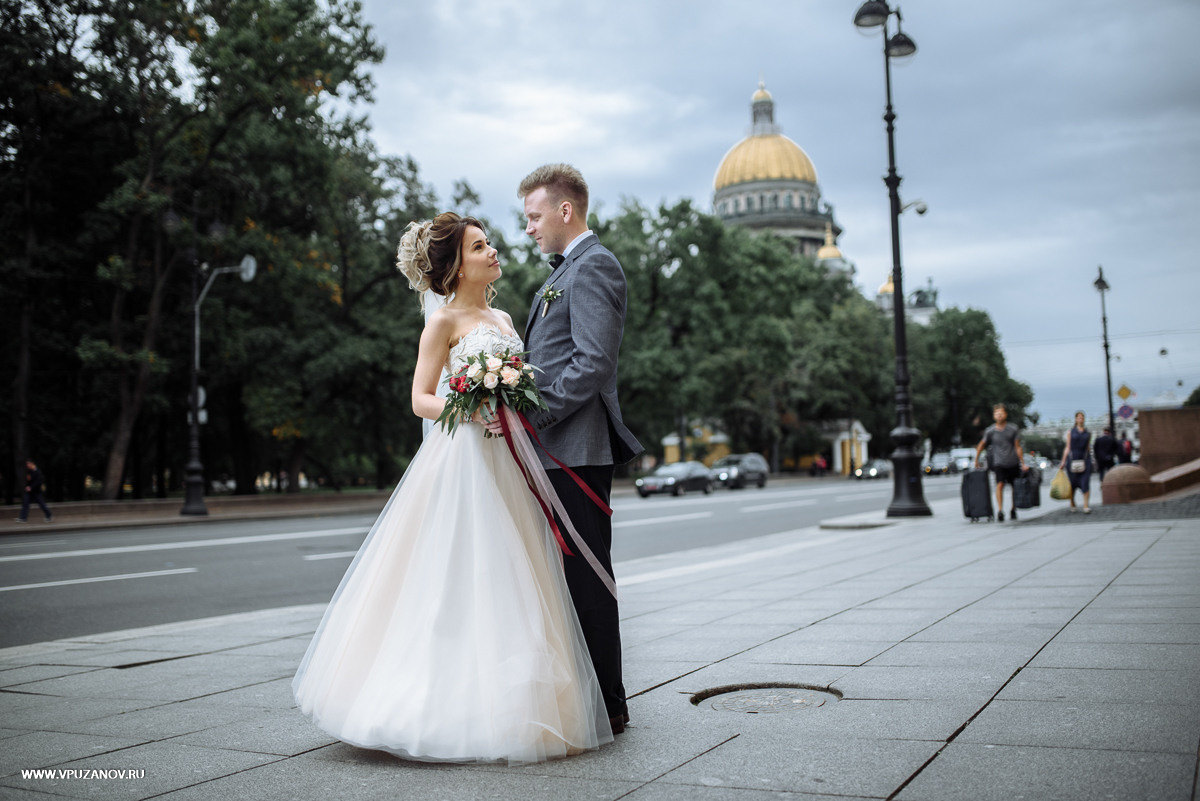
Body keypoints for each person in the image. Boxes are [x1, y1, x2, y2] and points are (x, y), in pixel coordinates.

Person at [292, 212, 612, 764]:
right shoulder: (441, 323)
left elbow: (522, 384)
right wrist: (471, 410)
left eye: (489, 243)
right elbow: (420, 398)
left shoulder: (508, 318)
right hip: (463, 455)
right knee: (464, 567)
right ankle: (435, 701)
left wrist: (512, 402)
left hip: (511, 461)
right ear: (457, 265)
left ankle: (519, 701)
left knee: (521, 570)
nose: (494, 252)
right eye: (480, 246)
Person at [518, 164, 643, 735]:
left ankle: (610, 705)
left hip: (576, 450)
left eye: (534, 216)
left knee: (588, 577)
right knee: (566, 578)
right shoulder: (566, 269)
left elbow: (593, 363)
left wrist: (533, 414)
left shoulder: (594, 267)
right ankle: (589, 697)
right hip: (555, 450)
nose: (529, 229)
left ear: (565, 210)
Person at [973, 403, 1029, 522]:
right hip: (999, 462)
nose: (999, 415)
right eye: (996, 413)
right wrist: (976, 459)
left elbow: (1017, 446)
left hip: (1013, 461)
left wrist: (1023, 463)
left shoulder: (1013, 428)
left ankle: (1013, 508)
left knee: (1015, 486)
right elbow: (981, 445)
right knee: (1000, 484)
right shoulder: (990, 431)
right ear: (994, 416)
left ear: (1005, 414)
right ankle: (1000, 510)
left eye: (1001, 413)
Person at [1059, 411, 1093, 513]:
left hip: (1085, 459)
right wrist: (1063, 461)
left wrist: (1091, 460)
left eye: (1082, 418)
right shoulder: (1071, 432)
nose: (1081, 419)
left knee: (1085, 482)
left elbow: (1088, 448)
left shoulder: (1088, 433)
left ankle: (1086, 505)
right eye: (1079, 417)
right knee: (1072, 483)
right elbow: (1067, 447)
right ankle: (1072, 501)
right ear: (1075, 419)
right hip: (1072, 459)